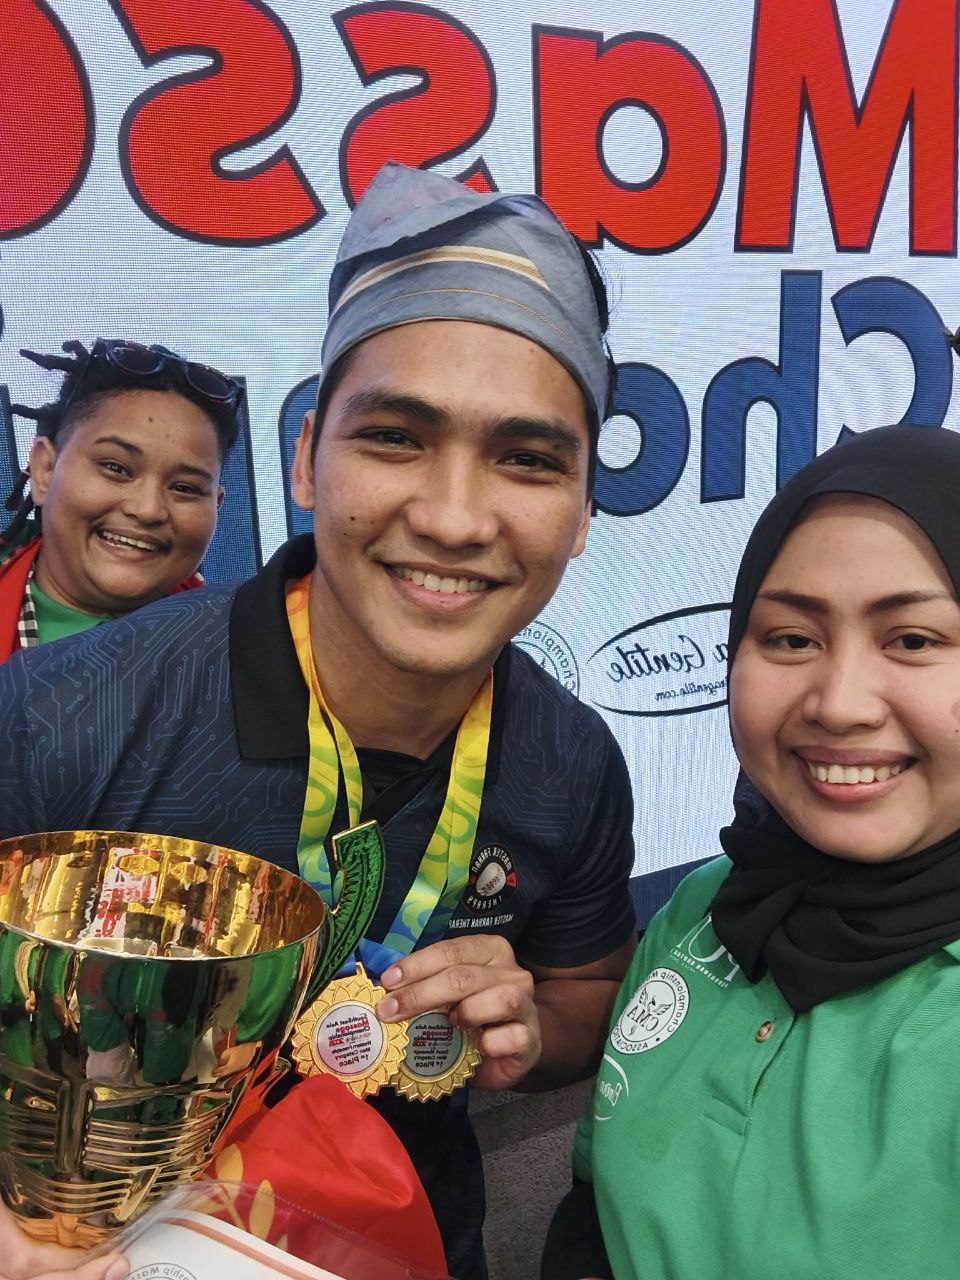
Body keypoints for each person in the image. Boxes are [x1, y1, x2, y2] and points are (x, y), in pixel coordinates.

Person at [0, 163, 637, 1279]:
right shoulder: (63, 714)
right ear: (304, 458)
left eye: (527, 460)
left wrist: (530, 1027)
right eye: (395, 437)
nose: (453, 517)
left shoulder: (572, 761)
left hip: (405, 1245)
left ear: (583, 509)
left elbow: (584, 992)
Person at [546, 423, 960, 1279]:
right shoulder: (706, 906)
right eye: (792, 638)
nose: (839, 703)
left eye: (913, 640)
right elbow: (596, 1206)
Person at [0, 338, 243, 661]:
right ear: (45, 469)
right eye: (115, 468)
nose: (147, 509)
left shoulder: (245, 653)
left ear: (216, 505)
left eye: (185, 488)